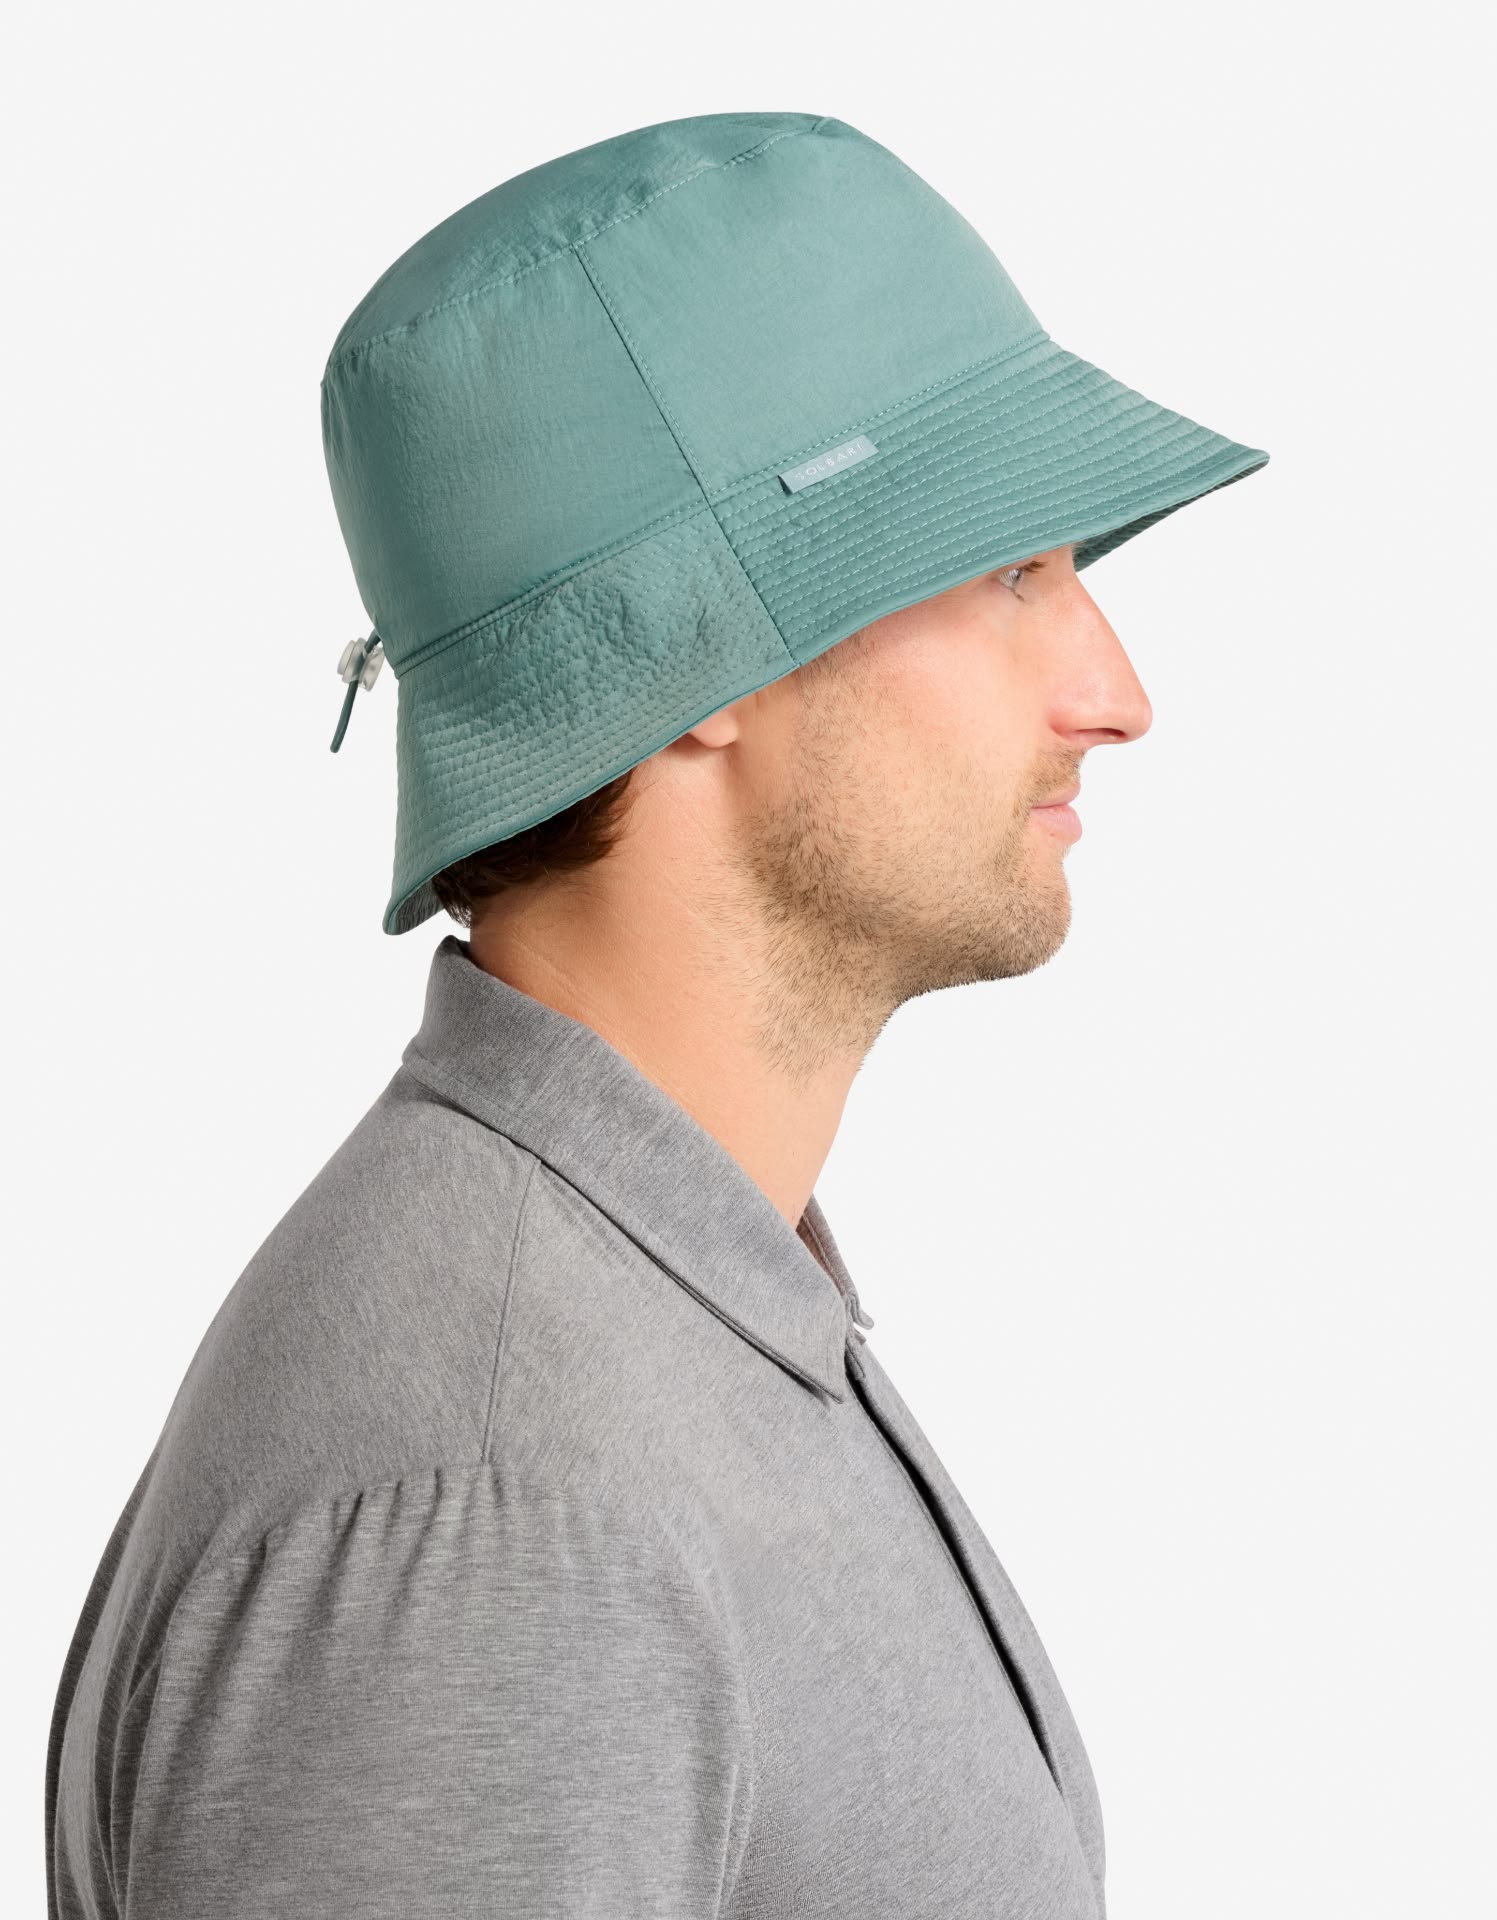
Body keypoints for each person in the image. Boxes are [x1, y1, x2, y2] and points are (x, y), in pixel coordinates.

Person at [45, 111, 1267, 1919]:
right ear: (694, 653)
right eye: (1010, 567)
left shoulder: (668, 1314)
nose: (1115, 691)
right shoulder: (493, 1507)